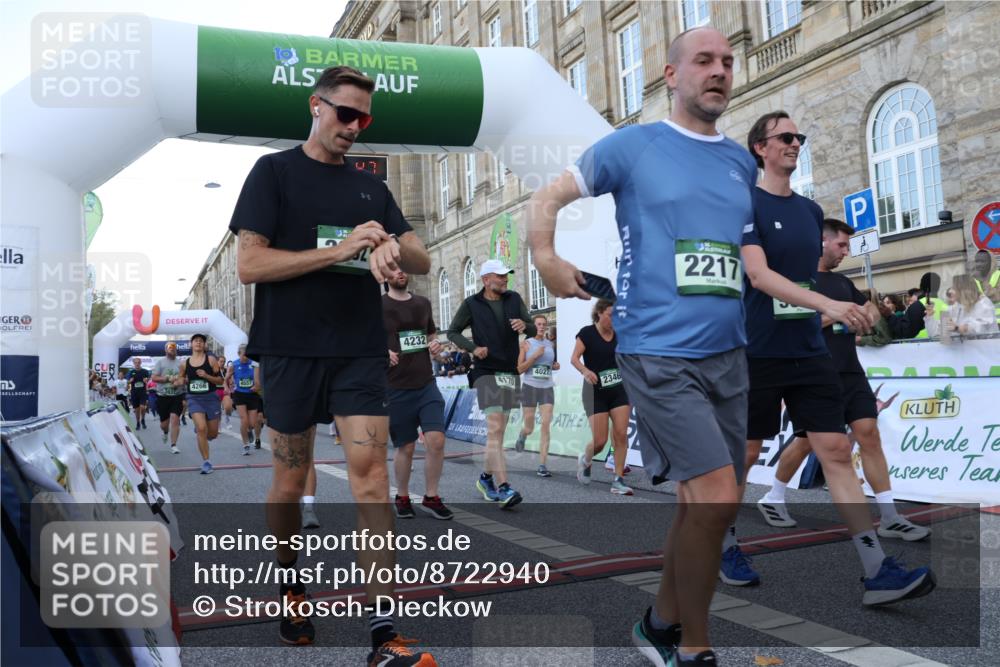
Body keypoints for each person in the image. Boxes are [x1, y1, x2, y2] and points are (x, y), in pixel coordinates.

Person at [527, 26, 759, 666]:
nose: (719, 70)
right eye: (704, 60)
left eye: (727, 61)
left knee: (706, 505)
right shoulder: (634, 146)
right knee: (715, 497)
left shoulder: (740, 161)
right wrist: (545, 257)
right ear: (671, 75)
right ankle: (695, 647)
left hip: (728, 352)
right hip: (657, 350)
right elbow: (548, 196)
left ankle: (658, 624)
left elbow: (742, 258)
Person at [230, 65, 436, 664]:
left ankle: (384, 630)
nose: (354, 126)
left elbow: (421, 256)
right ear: (315, 106)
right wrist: (339, 250)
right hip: (290, 349)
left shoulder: (369, 187)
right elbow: (249, 266)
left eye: (364, 119)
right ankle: (292, 586)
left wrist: (393, 246)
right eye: (345, 114)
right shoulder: (273, 172)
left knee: (370, 478)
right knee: (291, 481)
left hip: (358, 351)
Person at [738, 110, 934, 604]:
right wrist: (826, 305)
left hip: (809, 352)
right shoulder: (745, 203)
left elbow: (809, 279)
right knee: (744, 455)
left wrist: (847, 309)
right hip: (759, 351)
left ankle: (876, 568)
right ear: (761, 147)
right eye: (785, 136)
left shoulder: (809, 211)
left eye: (799, 137)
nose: (795, 143)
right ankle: (721, 541)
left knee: (837, 452)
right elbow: (759, 276)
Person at [756, 218, 930, 542]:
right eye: (841, 245)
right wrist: (833, 315)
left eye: (848, 246)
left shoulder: (842, 281)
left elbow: (870, 310)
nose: (846, 252)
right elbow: (789, 327)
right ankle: (774, 496)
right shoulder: (795, 281)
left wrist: (865, 316)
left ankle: (890, 516)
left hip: (851, 371)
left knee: (869, 435)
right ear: (821, 242)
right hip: (815, 377)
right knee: (807, 441)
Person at [447, 258, 536, 510]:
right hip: (485, 370)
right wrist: (473, 348)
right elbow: (452, 332)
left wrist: (525, 325)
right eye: (500, 276)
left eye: (506, 275)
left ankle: (485, 478)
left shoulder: (514, 298)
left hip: (509, 371)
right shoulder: (471, 304)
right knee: (495, 427)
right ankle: (504, 487)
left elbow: (532, 329)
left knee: (498, 433)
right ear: (486, 280)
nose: (505, 279)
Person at [383, 269, 453, 520]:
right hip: (395, 387)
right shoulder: (377, 306)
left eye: (403, 267)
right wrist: (381, 351)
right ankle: (402, 496)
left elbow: (432, 337)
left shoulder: (423, 303)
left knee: (437, 440)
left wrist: (436, 346)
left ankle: (431, 497)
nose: (400, 272)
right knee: (407, 447)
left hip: (426, 384)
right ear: (385, 275)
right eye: (393, 268)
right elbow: (362, 339)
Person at [572, 300, 632, 495]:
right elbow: (574, 359)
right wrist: (585, 370)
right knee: (600, 441)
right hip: (594, 392)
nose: (614, 319)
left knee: (621, 434)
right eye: (610, 315)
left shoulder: (620, 333)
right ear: (599, 313)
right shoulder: (587, 333)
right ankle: (586, 459)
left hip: (618, 390)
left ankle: (618, 480)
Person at [514, 314, 559, 477]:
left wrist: (554, 365)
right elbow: (519, 369)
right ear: (533, 326)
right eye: (538, 324)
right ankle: (523, 434)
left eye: (544, 324)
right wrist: (534, 356)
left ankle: (542, 465)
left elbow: (548, 365)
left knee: (546, 425)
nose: (541, 326)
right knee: (530, 427)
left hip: (547, 388)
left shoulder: (550, 344)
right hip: (530, 387)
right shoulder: (526, 344)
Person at [180, 333, 224, 474]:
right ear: (191, 344)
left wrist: (206, 376)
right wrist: (178, 381)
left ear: (204, 345)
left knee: (213, 434)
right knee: (201, 428)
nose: (198, 343)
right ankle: (206, 462)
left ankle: (202, 431)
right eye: (196, 341)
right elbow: (180, 379)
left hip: (211, 398)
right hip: (194, 398)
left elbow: (220, 381)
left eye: (201, 341)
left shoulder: (211, 360)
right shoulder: (184, 364)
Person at [227, 344, 263, 455]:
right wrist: (226, 386)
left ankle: (249, 430)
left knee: (252, 423)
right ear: (239, 354)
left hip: (252, 395)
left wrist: (257, 386)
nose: (246, 357)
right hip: (239, 394)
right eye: (244, 355)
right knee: (244, 420)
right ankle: (246, 445)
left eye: (248, 355)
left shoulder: (254, 364)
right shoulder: (234, 364)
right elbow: (226, 378)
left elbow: (259, 381)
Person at [151, 341, 185, 454]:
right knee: (164, 425)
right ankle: (165, 432)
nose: (172, 349)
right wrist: (166, 379)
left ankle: (174, 445)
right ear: (166, 350)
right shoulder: (160, 362)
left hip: (177, 396)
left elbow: (185, 378)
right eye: (170, 347)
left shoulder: (181, 364)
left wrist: (179, 382)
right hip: (163, 396)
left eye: (174, 347)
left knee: (175, 419)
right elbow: (154, 378)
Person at [126, 357, 150, 429]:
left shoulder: (145, 371)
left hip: (142, 392)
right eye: (135, 363)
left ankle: (143, 419)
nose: (137, 364)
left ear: (140, 363)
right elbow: (128, 381)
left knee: (142, 407)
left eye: (138, 362)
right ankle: (138, 422)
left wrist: (146, 380)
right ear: (133, 363)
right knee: (137, 410)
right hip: (134, 393)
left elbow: (149, 379)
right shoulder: (131, 372)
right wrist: (130, 381)